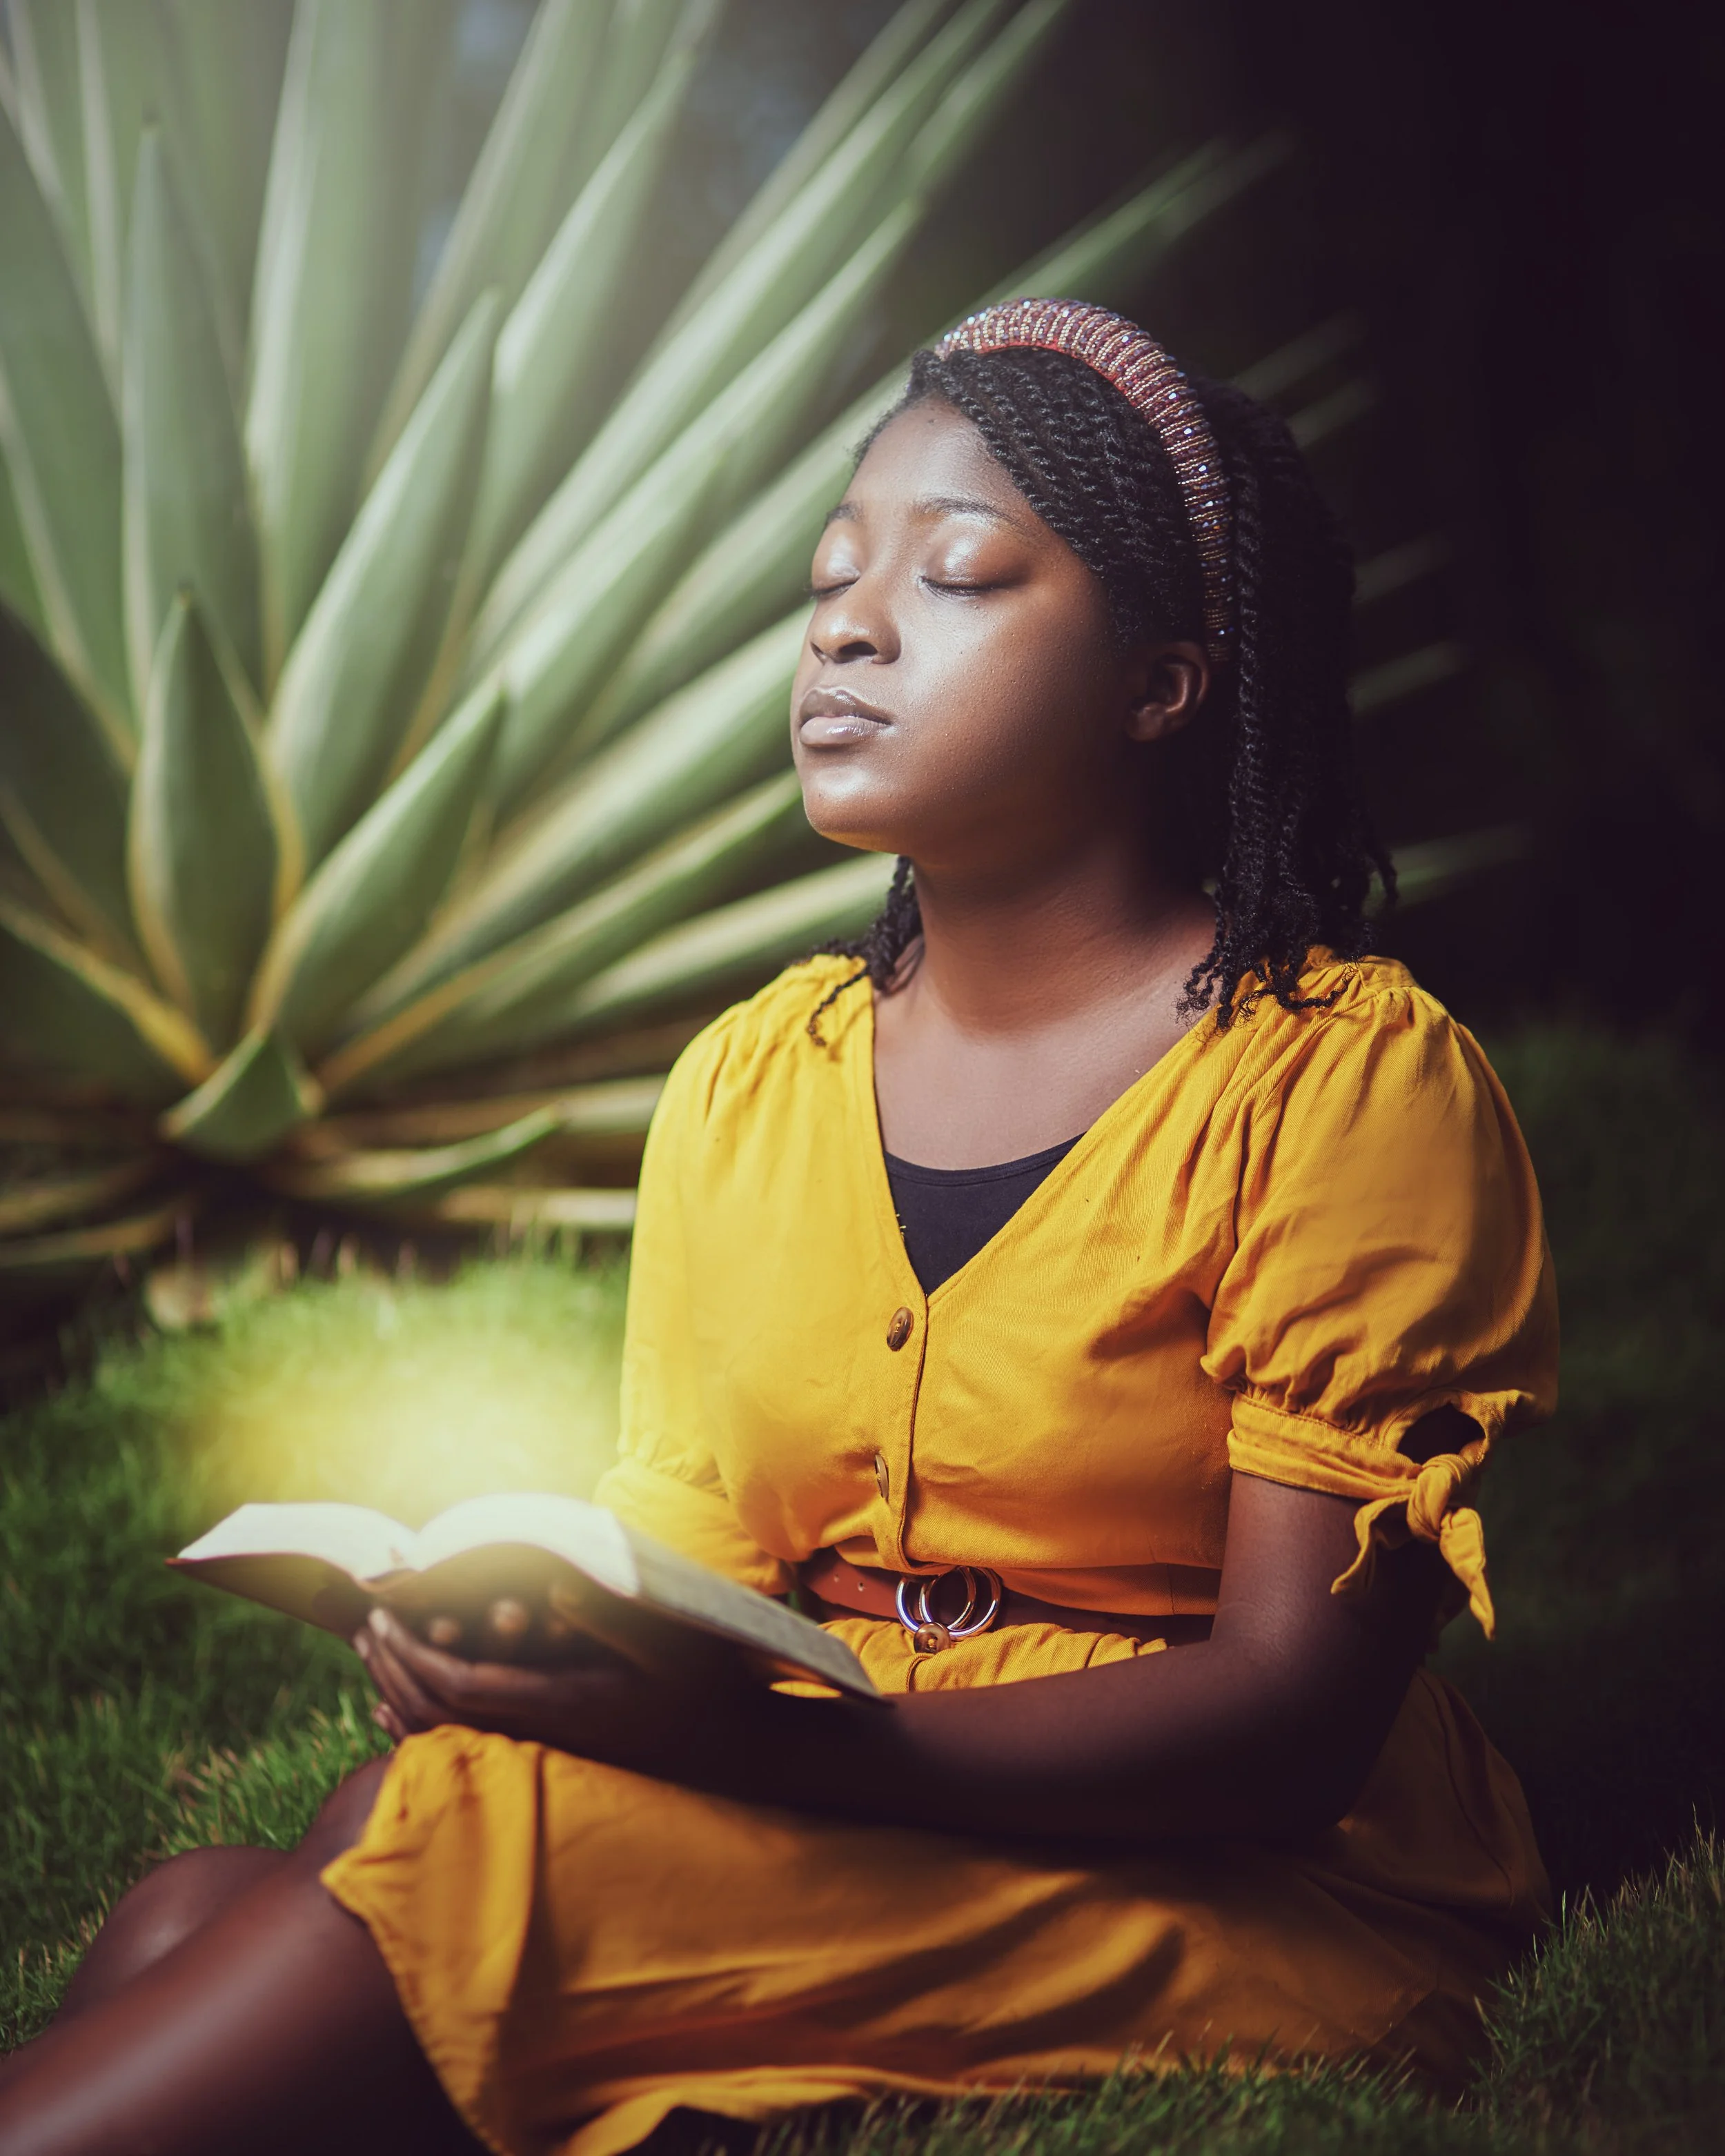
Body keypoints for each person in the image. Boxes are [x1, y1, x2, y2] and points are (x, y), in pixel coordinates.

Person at [0, 301, 1557, 2156]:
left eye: (960, 572)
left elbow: (1287, 1719)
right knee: (208, 1896)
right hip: (840, 1786)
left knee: (446, 1865)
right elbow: (697, 1557)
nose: (847, 622)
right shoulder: (753, 1079)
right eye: (832, 575)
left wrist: (775, 1753)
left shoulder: (1343, 1088)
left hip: (1234, 1870)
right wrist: (521, 1645)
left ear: (1164, 680)